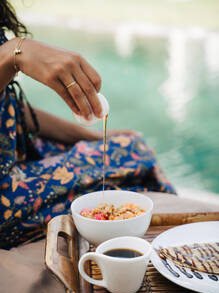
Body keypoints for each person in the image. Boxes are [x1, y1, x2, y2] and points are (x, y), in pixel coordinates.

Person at [0, 0, 175, 250]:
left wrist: (89, 136)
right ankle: (169, 248)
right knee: (136, 156)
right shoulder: (12, 53)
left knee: (131, 147)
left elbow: (12, 109)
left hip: (17, 156)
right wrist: (12, 54)